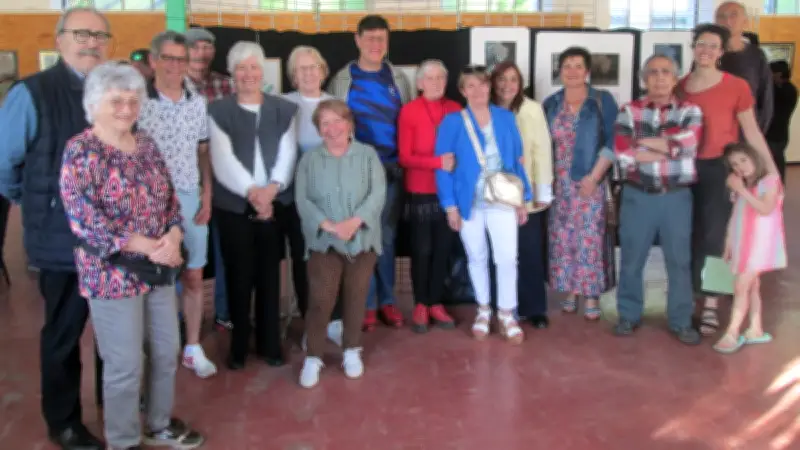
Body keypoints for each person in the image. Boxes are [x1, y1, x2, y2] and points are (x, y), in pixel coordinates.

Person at [59, 61, 204, 450]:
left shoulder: (146, 144)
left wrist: (174, 234)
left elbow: (170, 201)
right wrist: (148, 246)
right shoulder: (81, 151)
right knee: (124, 365)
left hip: (158, 268)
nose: (126, 109)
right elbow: (86, 222)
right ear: (94, 103)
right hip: (112, 274)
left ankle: (158, 424)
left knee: (165, 352)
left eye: (133, 100)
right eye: (116, 101)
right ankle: (123, 440)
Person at [0, 7, 110, 449]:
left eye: (100, 35)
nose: (91, 43)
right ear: (60, 38)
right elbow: (6, 165)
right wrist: (39, 203)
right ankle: (64, 422)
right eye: (81, 33)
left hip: (113, 241)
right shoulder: (32, 93)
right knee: (64, 334)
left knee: (113, 332)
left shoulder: (112, 90)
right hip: (61, 240)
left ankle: (117, 405)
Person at [676, 23, 778, 337]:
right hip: (683, 168)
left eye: (712, 45)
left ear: (721, 52)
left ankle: (711, 302)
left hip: (718, 169)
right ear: (693, 47)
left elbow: (752, 131)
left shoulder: (736, 86)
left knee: (716, 237)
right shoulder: (680, 87)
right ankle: (687, 296)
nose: (705, 50)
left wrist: (770, 170)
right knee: (685, 234)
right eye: (701, 44)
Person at [207, 41, 298, 370]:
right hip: (234, 207)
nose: (248, 73)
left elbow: (288, 153)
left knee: (270, 277)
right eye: (241, 67)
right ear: (232, 73)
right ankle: (238, 347)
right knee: (238, 277)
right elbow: (222, 159)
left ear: (263, 71)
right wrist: (252, 193)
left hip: (275, 204)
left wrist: (271, 191)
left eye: (254, 67)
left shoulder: (283, 109)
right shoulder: (218, 110)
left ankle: (270, 343)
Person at [137, 31, 216, 379]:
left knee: (194, 274)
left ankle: (192, 347)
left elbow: (203, 151)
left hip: (189, 198)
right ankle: (156, 350)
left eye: (181, 59)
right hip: (148, 202)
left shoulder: (197, 101)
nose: (174, 66)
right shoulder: (137, 101)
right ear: (153, 60)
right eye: (167, 58)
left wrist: (207, 194)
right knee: (155, 278)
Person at [328, 14, 414, 331]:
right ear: (357, 40)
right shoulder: (342, 80)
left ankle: (388, 301)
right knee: (361, 236)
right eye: (370, 38)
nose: (376, 44)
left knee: (387, 238)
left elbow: (408, 122)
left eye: (381, 39)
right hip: (356, 173)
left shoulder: (398, 79)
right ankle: (367, 304)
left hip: (391, 172)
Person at [435, 66, 532, 344]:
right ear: (463, 91)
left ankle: (507, 313)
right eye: (471, 86)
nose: (478, 91)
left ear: (490, 87)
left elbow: (517, 161)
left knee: (507, 258)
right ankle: (483, 310)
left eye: (483, 84)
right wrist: (450, 206)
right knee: (476, 257)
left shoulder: (505, 117)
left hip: (502, 198)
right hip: (469, 202)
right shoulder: (452, 122)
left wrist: (522, 200)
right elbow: (443, 167)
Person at [612, 55, 703, 344]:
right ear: (644, 79)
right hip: (637, 197)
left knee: (679, 261)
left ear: (675, 79)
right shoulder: (629, 110)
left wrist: (643, 143)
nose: (659, 77)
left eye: (666, 72)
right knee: (631, 260)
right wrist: (669, 147)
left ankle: (681, 320)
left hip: (676, 198)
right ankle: (628, 315)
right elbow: (624, 154)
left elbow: (688, 145)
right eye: (653, 72)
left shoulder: (690, 111)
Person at [295, 99, 386, 388]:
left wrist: (354, 222)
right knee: (320, 301)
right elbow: (303, 200)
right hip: (324, 241)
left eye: (337, 120)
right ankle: (313, 357)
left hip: (362, 240)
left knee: (356, 298)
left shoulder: (368, 155)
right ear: (318, 129)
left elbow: (377, 193)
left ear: (349, 124)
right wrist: (331, 226)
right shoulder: (309, 160)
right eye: (325, 123)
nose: (332, 128)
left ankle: (351, 350)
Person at [542, 47, 618, 321]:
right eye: (567, 66)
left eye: (578, 66)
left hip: (590, 181)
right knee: (563, 238)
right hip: (559, 184)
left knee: (590, 239)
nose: (572, 71)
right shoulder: (551, 103)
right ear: (560, 71)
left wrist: (595, 177)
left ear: (587, 71)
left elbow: (614, 140)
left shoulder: (601, 100)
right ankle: (571, 289)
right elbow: (542, 144)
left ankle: (592, 293)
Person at [282, 45, 343, 347]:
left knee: (334, 258)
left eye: (313, 67)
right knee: (305, 261)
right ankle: (313, 324)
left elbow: (347, 149)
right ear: (294, 75)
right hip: (298, 198)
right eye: (301, 68)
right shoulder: (284, 105)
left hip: (333, 198)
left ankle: (335, 321)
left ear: (323, 70)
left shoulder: (337, 104)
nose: (308, 73)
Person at [398, 59, 460, 333]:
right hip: (420, 191)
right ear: (420, 83)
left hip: (449, 193)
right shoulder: (409, 111)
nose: (436, 83)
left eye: (441, 78)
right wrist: (437, 163)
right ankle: (421, 304)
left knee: (444, 249)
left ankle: (436, 302)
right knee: (422, 250)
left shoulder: (455, 109)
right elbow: (404, 157)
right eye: (430, 78)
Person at [490, 61, 553, 329]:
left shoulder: (532, 109)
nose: (507, 85)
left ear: (521, 84)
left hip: (525, 194)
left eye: (513, 79)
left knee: (528, 252)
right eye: (501, 79)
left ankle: (534, 308)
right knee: (498, 255)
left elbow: (542, 150)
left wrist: (543, 189)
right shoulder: (484, 109)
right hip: (493, 195)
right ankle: (502, 306)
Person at [184, 27, 235, 331]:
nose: (201, 53)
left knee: (226, 248)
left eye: (206, 47)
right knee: (187, 252)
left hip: (224, 179)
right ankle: (184, 317)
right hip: (187, 183)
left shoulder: (226, 85)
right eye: (195, 47)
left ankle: (225, 311)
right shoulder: (173, 85)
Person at [714, 142, 785, 353]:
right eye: (734, 164)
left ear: (754, 157)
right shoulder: (744, 185)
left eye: (743, 160)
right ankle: (755, 329)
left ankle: (732, 332)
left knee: (741, 286)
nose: (740, 167)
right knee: (752, 285)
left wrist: (742, 190)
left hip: (760, 245)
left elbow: (765, 208)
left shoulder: (769, 181)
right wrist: (728, 243)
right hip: (742, 242)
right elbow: (735, 215)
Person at [715, 1, 773, 132]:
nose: (727, 21)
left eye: (733, 15)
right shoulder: (707, 55)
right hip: (713, 132)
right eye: (721, 16)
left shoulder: (756, 56)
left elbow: (766, 100)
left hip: (745, 132)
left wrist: (756, 133)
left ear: (745, 21)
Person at [765, 60, 798, 183]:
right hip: (777, 134)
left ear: (778, 74)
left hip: (776, 135)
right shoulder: (783, 88)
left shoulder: (787, 90)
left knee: (775, 163)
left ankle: (778, 187)